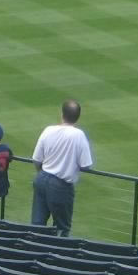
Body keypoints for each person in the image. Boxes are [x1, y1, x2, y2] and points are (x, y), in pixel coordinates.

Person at [31, 100, 92, 237]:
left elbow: (36, 159)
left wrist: (42, 173)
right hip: (61, 185)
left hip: (41, 179)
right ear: (78, 117)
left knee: (37, 225)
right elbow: (86, 165)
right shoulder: (79, 135)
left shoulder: (48, 130)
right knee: (62, 228)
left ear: (62, 114)